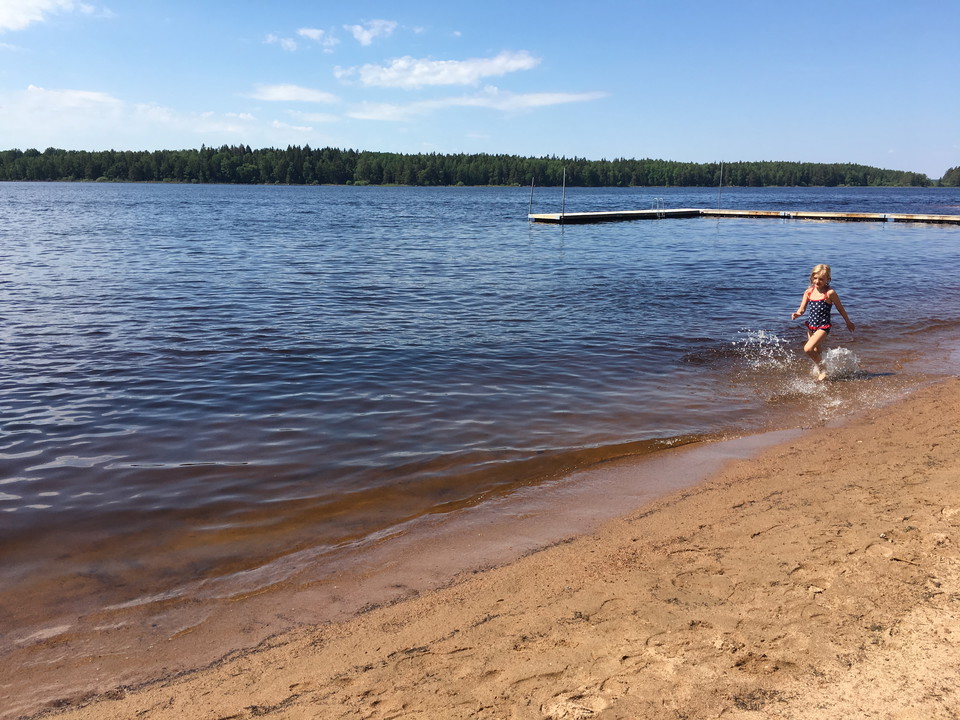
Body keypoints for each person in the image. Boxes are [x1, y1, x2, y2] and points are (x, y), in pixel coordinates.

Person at [791, 264, 855, 381]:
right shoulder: (809, 292)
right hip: (811, 326)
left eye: (821, 279)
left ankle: (823, 369)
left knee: (808, 349)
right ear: (812, 277)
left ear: (827, 279)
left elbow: (840, 308)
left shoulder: (830, 293)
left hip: (823, 327)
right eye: (815, 278)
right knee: (817, 351)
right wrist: (797, 314)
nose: (817, 281)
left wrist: (848, 321)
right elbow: (802, 309)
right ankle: (825, 372)